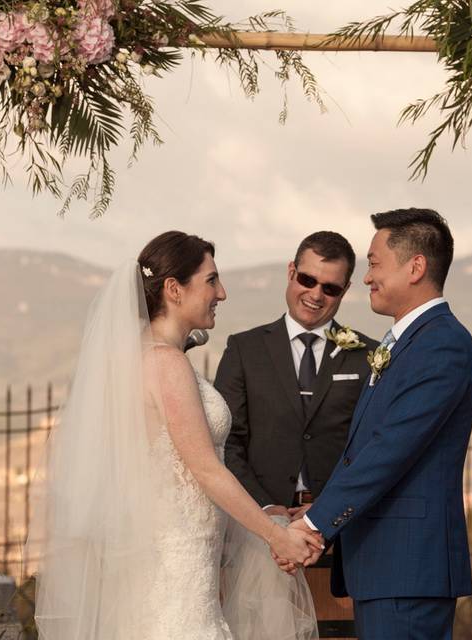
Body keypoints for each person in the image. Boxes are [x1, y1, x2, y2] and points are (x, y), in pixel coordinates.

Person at [28, 231, 323, 640]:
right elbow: (204, 469)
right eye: (211, 280)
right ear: (173, 289)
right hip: (177, 564)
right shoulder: (166, 364)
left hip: (180, 555)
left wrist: (267, 517)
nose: (222, 292)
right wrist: (276, 537)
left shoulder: (142, 356)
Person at [290, 209, 472, 640]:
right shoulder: (408, 342)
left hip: (408, 568)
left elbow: (390, 450)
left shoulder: (442, 343)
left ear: (415, 267)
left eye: (374, 263)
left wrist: (317, 524)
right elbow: (365, 445)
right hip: (387, 566)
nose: (367, 278)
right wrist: (319, 509)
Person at [215, 231, 376, 517]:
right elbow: (229, 440)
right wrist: (264, 507)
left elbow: (371, 447)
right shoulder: (243, 349)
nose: (315, 295)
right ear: (291, 271)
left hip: (340, 525)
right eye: (307, 280)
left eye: (330, 288)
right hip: (258, 521)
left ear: (346, 289)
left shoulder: (367, 356)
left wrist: (328, 509)